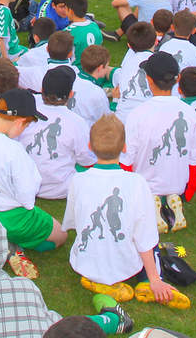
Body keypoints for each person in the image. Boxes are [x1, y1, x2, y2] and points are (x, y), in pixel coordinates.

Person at [64, 114, 188, 313]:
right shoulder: (137, 182)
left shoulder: (77, 180)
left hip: (85, 261)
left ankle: (97, 279)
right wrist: (156, 278)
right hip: (125, 264)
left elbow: (73, 223)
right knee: (150, 240)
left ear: (89, 145)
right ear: (124, 147)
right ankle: (148, 282)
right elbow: (145, 236)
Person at [0, 88, 69, 278]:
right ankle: (12, 241)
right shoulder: (13, 150)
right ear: (19, 121)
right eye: (27, 125)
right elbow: (27, 198)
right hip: (15, 218)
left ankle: (0, 240)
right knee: (61, 235)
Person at [121, 53, 196, 233]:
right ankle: (173, 198)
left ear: (149, 80)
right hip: (179, 183)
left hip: (144, 183)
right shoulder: (190, 112)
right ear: (178, 79)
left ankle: (152, 203)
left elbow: (126, 160)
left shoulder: (137, 114)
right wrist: (188, 192)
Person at [18, 67, 96, 199]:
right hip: (62, 188)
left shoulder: (25, 106)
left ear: (42, 90)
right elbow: (86, 160)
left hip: (25, 184)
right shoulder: (77, 122)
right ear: (71, 94)